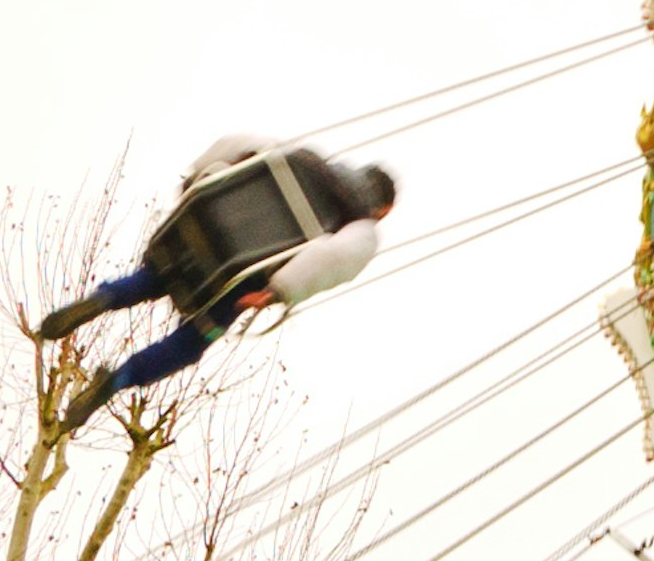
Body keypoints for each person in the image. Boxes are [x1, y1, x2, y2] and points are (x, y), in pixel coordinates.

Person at [36, 137, 396, 432]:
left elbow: (239, 144)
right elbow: (335, 259)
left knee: (153, 279)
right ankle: (116, 381)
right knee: (192, 342)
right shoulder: (360, 226)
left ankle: (101, 300)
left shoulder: (308, 159)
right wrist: (279, 290)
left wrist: (195, 182)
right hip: (238, 277)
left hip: (200, 228)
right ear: (382, 209)